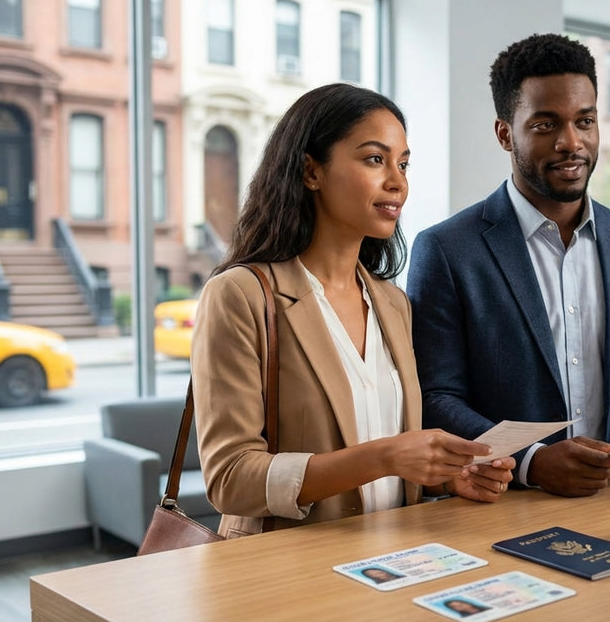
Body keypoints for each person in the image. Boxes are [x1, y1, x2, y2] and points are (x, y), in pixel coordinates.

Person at [193, 83, 516, 539]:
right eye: (374, 159)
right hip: (286, 577)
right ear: (311, 171)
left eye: (403, 164)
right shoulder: (240, 295)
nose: (397, 181)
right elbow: (230, 478)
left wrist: (449, 475)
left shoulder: (393, 303)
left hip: (392, 567)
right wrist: (384, 457)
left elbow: (397, 459)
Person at [407, 33, 610, 498]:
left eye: (585, 121)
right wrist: (530, 462)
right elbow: (435, 399)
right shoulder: (447, 249)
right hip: (501, 506)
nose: (570, 142)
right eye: (545, 125)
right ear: (505, 133)